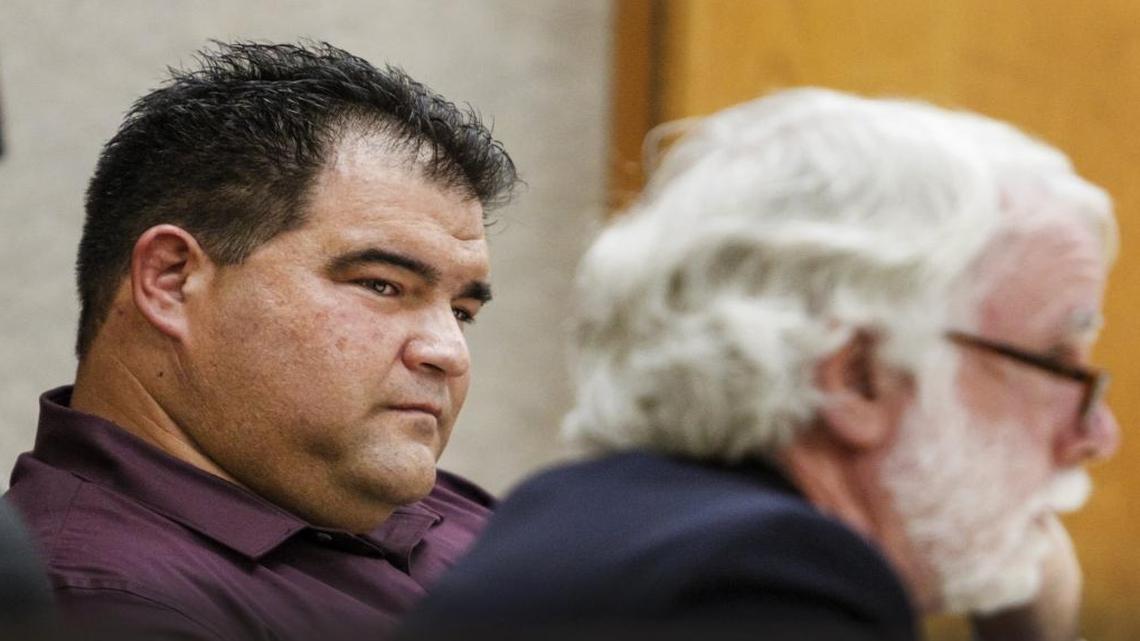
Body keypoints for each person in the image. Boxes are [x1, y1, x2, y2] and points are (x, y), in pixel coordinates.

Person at [396, 88, 1118, 641]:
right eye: (1056, 365)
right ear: (857, 375)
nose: (1095, 435)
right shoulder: (762, 583)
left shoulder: (570, 512)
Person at [5, 41, 517, 641]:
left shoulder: (428, 507)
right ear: (171, 281)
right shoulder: (102, 600)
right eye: (382, 285)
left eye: (462, 312)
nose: (448, 353)